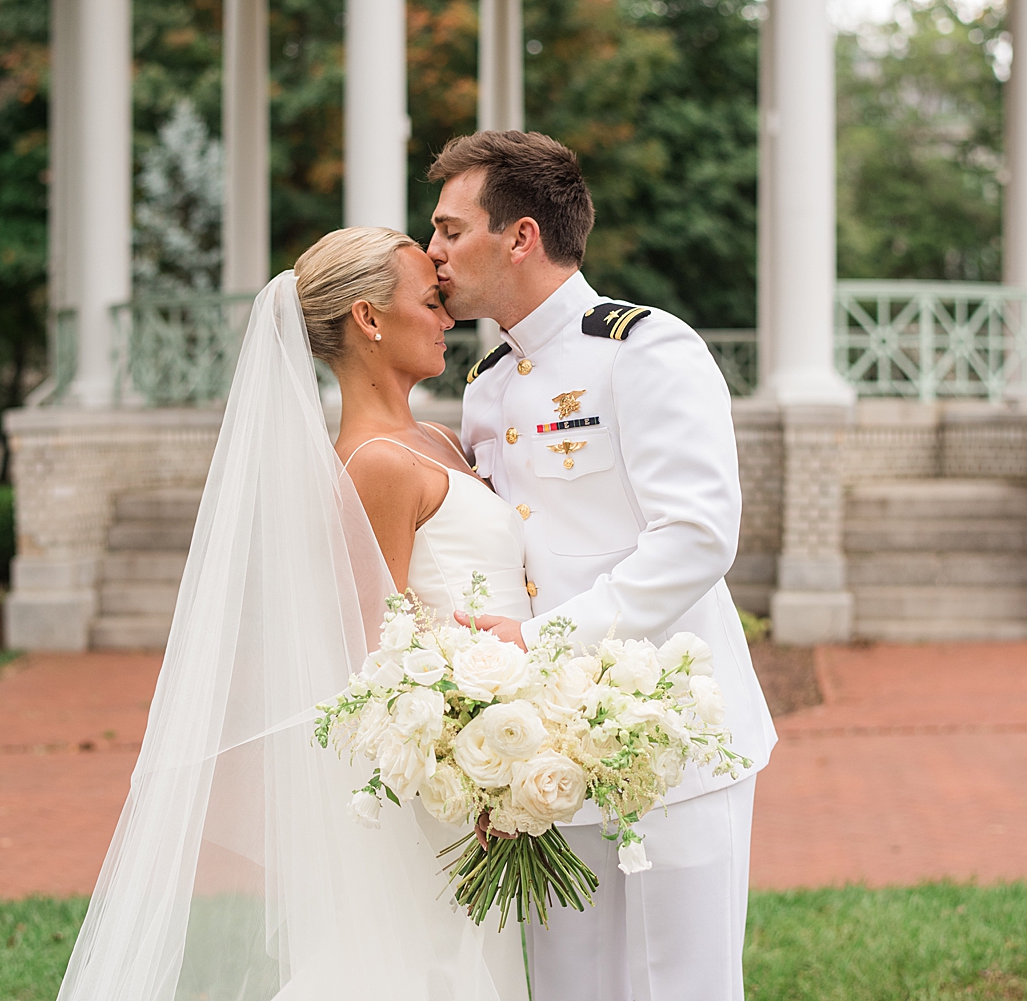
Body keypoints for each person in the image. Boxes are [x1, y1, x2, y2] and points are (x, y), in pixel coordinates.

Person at [56, 227, 532, 1001]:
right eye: (431, 301)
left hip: (494, 745)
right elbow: (375, 655)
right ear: (370, 320)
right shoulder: (377, 465)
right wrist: (473, 768)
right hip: (446, 780)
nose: (448, 318)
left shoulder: (439, 440)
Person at [425, 130, 778, 1001]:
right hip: (544, 752)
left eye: (448, 229)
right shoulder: (487, 381)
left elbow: (697, 533)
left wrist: (543, 643)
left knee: (680, 985)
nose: (431, 252)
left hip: (673, 738)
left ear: (520, 237)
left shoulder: (643, 348)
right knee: (574, 985)